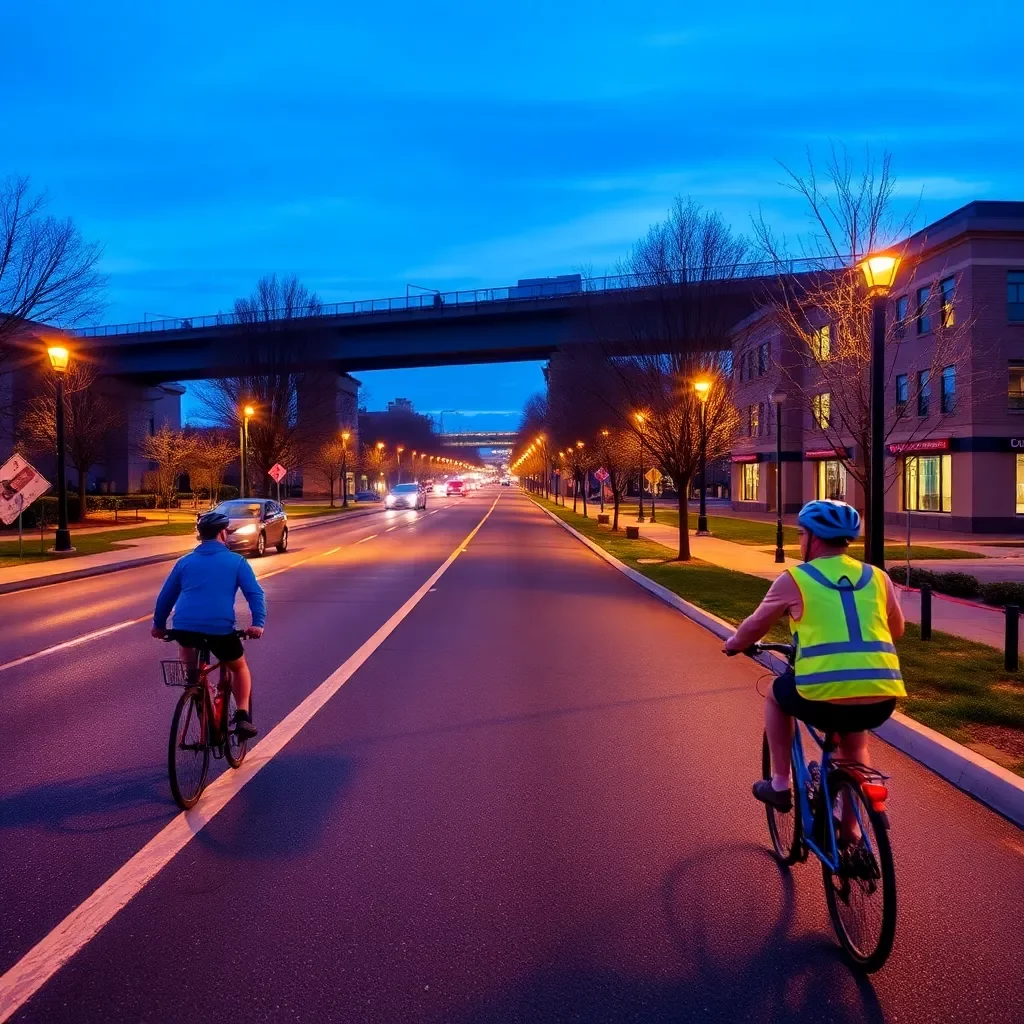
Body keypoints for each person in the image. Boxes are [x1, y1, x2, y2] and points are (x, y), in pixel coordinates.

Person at [724, 499, 905, 814]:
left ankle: (781, 784)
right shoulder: (877, 577)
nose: (800, 541)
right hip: (881, 696)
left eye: (800, 534)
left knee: (775, 695)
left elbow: (755, 626)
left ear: (812, 537)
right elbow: (896, 630)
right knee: (854, 745)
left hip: (821, 695)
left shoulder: (796, 578)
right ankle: (852, 834)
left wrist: (733, 644)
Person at [152, 509, 266, 739]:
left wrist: (159, 624)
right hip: (219, 627)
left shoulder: (184, 562)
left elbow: (166, 596)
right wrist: (258, 623)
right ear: (223, 534)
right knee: (238, 667)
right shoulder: (236, 561)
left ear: (201, 536)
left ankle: (195, 686)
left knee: (187, 649)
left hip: (184, 625)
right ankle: (242, 716)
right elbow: (255, 594)